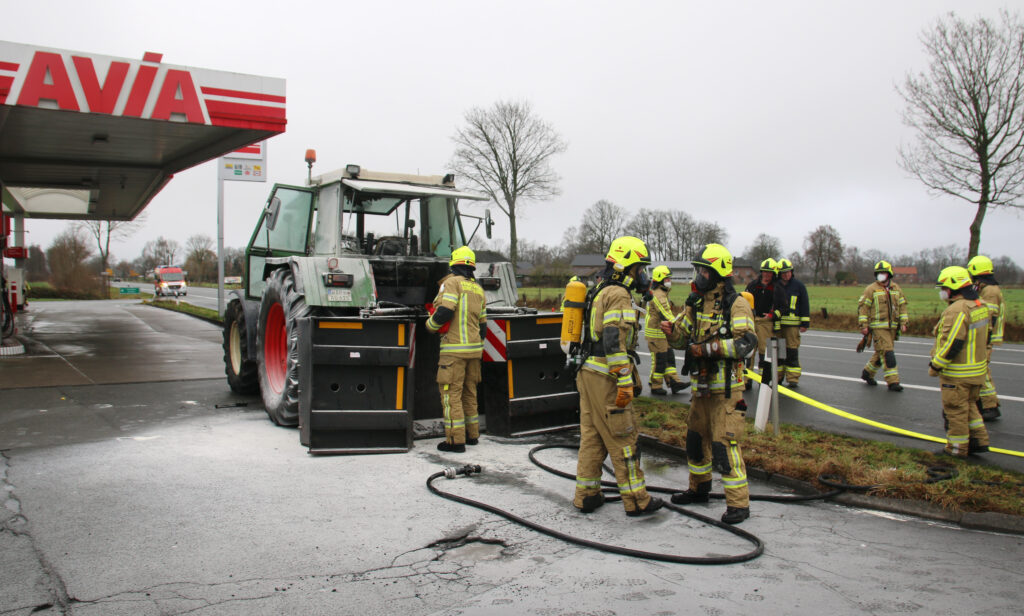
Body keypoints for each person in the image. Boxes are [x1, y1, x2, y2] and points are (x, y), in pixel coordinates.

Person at [662, 244, 758, 525]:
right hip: (700, 389)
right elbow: (684, 341)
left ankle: (739, 505)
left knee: (724, 446)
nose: (699, 274)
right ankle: (699, 488)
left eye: (704, 269)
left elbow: (746, 344)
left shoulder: (736, 304)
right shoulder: (695, 302)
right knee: (694, 440)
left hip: (726, 391)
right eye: (699, 269)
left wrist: (706, 351)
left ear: (717, 272)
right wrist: (673, 334)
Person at [573, 236, 664, 517]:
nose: (643, 275)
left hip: (587, 372)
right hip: (606, 377)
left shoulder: (600, 289)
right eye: (640, 269)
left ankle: (586, 495)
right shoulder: (620, 295)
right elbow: (614, 340)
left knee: (592, 437)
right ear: (627, 267)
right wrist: (624, 379)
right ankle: (637, 500)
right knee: (623, 437)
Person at [426, 246, 487, 452]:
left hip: (453, 351)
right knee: (470, 393)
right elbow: (483, 325)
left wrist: (430, 326)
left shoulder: (451, 283)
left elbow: (445, 311)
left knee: (450, 394)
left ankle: (455, 441)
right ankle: (472, 436)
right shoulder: (478, 289)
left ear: (453, 264)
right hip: (474, 351)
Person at [928, 266, 990, 458]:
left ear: (954, 287)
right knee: (970, 407)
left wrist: (936, 365)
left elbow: (952, 342)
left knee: (955, 411)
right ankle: (979, 441)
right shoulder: (979, 305)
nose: (942, 292)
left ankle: (956, 450)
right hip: (977, 372)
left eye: (944, 288)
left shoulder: (957, 310)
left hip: (957, 374)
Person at [858, 260, 908, 391]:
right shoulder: (871, 289)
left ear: (889, 274)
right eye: (878, 273)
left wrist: (903, 322)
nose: (881, 275)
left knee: (880, 353)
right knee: (887, 353)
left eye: (883, 273)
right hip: (878, 327)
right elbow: (863, 308)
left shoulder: (896, 289)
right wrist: (864, 325)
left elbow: (902, 306)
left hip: (892, 328)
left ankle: (867, 373)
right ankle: (893, 382)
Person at [967, 255, 1004, 421]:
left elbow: (990, 316)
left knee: (982, 371)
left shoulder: (990, 291)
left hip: (986, 338)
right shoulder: (986, 288)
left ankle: (990, 406)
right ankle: (985, 403)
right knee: (982, 369)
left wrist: (984, 338)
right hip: (985, 337)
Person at [644, 265, 689, 395]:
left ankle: (674, 382)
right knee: (660, 360)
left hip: (663, 334)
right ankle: (656, 386)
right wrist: (685, 312)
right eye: (667, 278)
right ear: (661, 280)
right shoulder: (658, 296)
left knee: (669, 357)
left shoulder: (662, 294)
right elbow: (668, 317)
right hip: (657, 334)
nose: (669, 281)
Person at [771, 258, 810, 387]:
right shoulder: (775, 285)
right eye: (783, 273)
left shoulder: (798, 286)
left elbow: (804, 304)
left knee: (792, 351)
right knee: (779, 351)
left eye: (788, 272)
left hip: (792, 325)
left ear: (792, 272)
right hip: (778, 324)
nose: (786, 275)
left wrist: (804, 323)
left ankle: (793, 378)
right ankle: (778, 377)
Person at [745, 258, 778, 384]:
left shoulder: (776, 287)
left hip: (766, 323)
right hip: (752, 320)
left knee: (764, 352)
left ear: (773, 274)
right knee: (749, 351)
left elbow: (780, 304)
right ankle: (747, 380)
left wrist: (771, 314)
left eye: (769, 272)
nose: (767, 274)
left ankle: (763, 380)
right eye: (765, 271)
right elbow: (744, 300)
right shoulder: (753, 285)